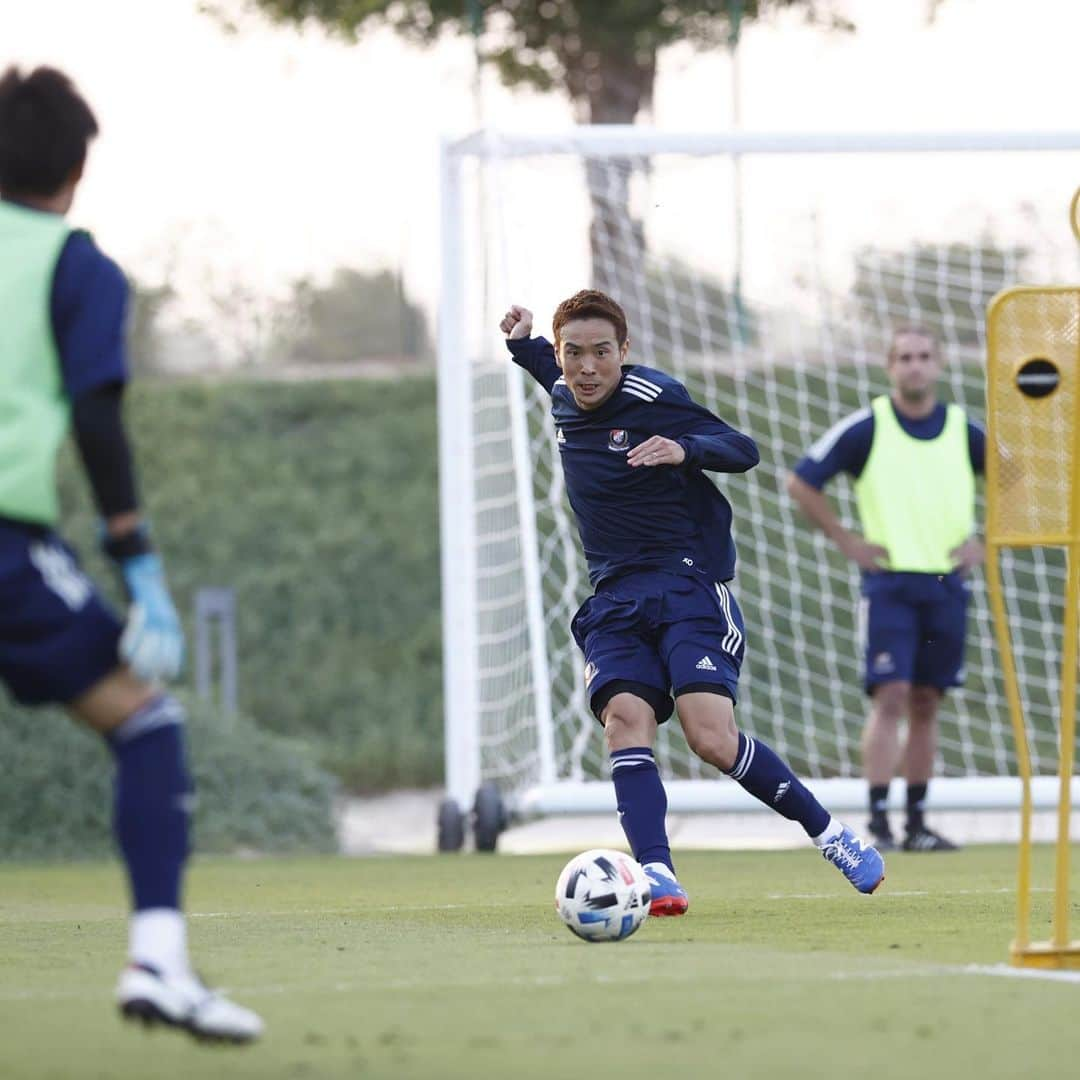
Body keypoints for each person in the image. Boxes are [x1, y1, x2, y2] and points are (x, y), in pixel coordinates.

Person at [0, 66, 262, 1043]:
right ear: (75, 169)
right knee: (146, 726)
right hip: (6, 543)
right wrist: (136, 561)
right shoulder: (74, 265)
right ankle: (159, 960)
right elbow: (97, 410)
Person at [502, 290, 885, 913]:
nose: (587, 367)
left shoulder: (655, 397)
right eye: (575, 354)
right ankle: (657, 873)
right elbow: (548, 368)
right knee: (625, 719)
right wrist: (523, 344)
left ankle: (831, 834)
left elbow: (743, 448)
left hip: (687, 587)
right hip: (616, 599)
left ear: (624, 352)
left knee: (710, 737)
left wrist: (686, 449)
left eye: (603, 352)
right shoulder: (567, 391)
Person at [786, 326, 985, 853]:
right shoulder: (869, 426)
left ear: (938, 364)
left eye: (924, 356)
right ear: (889, 366)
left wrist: (985, 541)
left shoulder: (965, 430)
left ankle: (917, 823)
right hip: (890, 585)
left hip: (948, 585)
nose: (915, 366)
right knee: (891, 694)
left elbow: (1018, 483)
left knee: (926, 701)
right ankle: (877, 821)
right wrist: (846, 539)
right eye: (905, 358)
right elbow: (802, 480)